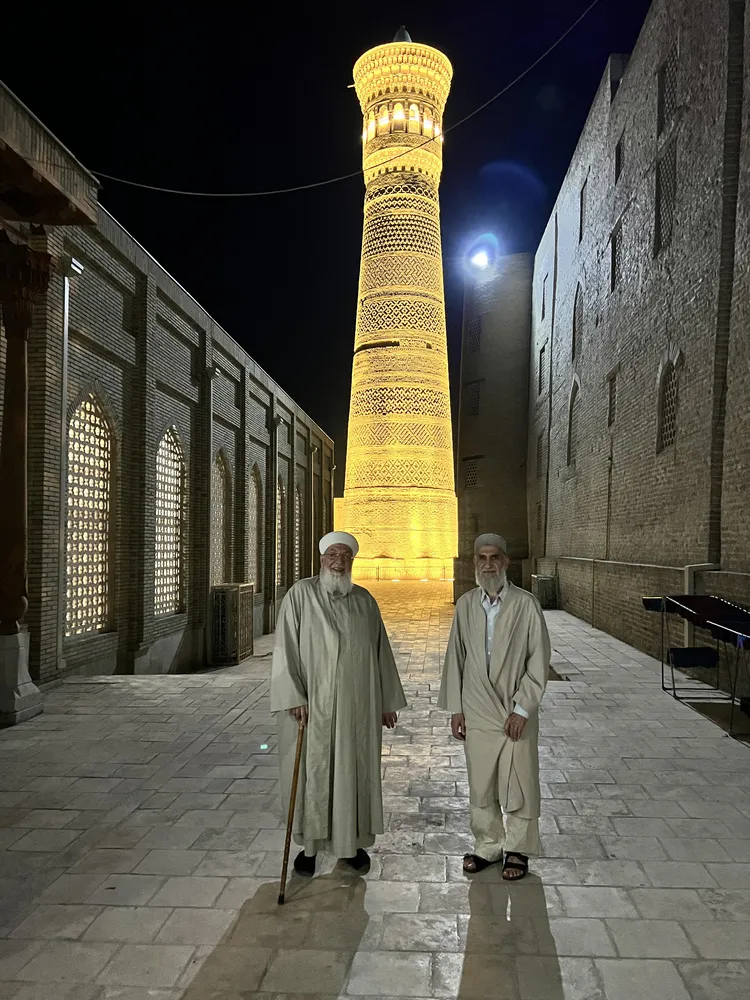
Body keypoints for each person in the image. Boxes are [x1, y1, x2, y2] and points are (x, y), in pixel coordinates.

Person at [270, 530, 406, 875]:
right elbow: (285, 648)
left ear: (352, 562)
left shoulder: (364, 601)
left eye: (345, 556)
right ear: (321, 559)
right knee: (312, 776)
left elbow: (380, 651)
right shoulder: (300, 596)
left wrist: (386, 701)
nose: (339, 562)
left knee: (352, 774)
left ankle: (351, 845)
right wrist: (293, 695)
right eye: (333, 555)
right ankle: (310, 849)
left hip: (356, 709)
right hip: (312, 709)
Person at [438, 533, 551, 880]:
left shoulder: (526, 605)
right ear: (475, 563)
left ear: (505, 562)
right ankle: (488, 845)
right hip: (477, 707)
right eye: (482, 558)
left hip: (513, 707)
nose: (488, 564)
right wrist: (456, 708)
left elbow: (539, 659)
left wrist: (522, 709)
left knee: (519, 779)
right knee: (481, 779)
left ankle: (518, 848)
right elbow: (456, 657)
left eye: (494, 558)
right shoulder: (466, 605)